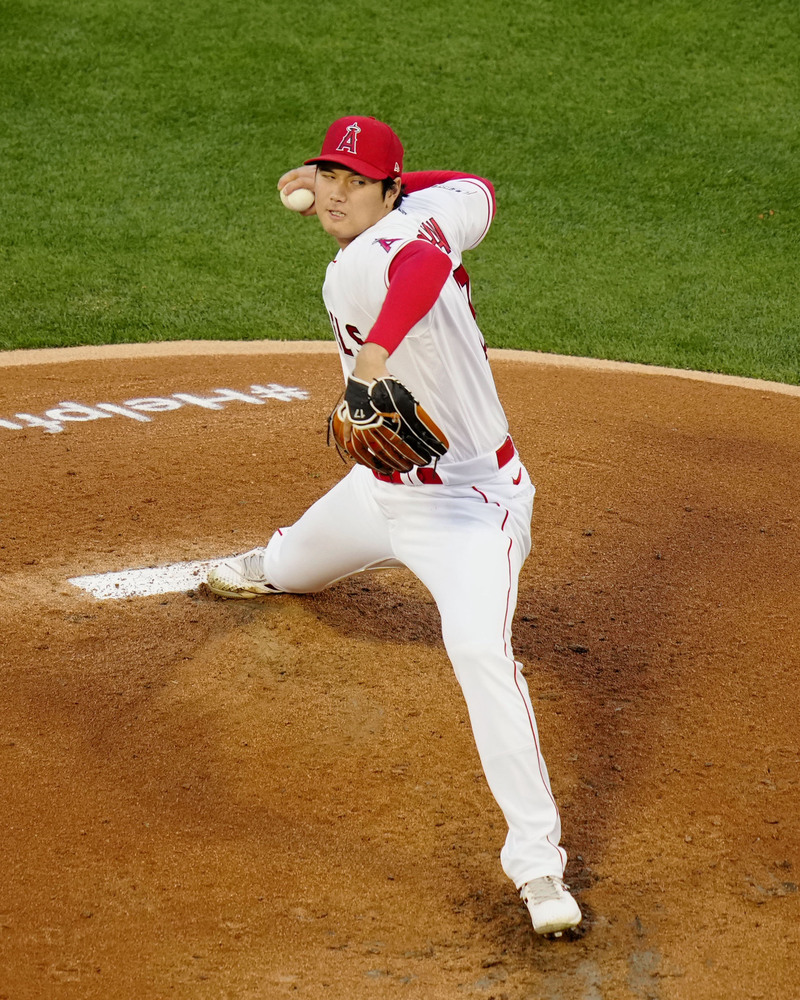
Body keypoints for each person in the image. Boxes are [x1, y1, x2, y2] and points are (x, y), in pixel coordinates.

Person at [207, 115, 582, 937]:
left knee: (482, 651)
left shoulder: (376, 261)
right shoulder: (439, 205)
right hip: (378, 491)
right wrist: (391, 186)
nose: (335, 192)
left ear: (386, 189)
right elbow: (475, 189)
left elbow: (413, 266)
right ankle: (277, 562)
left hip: (469, 510)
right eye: (326, 176)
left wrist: (375, 354)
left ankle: (538, 864)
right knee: (288, 567)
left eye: (356, 181)